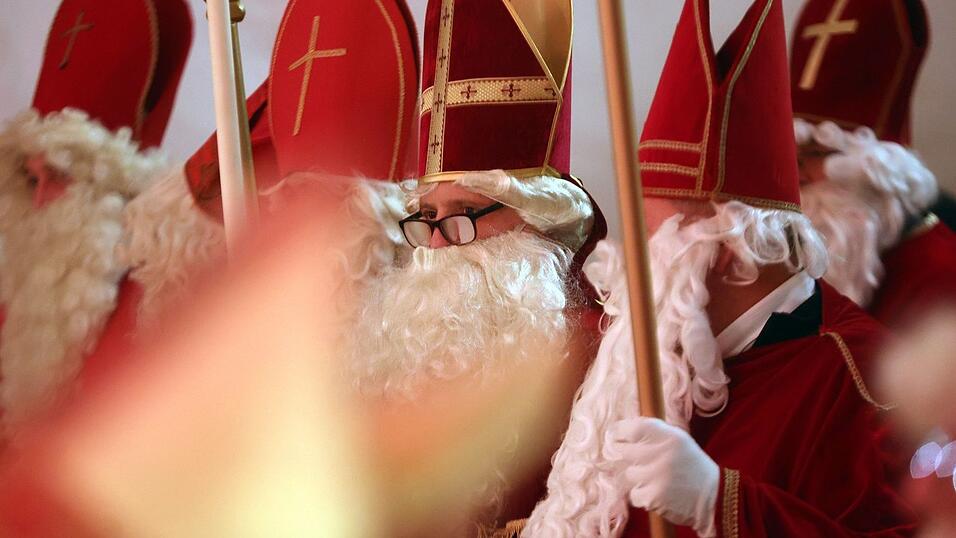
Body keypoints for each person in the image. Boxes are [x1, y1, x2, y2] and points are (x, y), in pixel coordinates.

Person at [524, 1, 917, 536]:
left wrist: (721, 502)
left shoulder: (865, 380)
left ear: (729, 246)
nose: (632, 260)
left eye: (651, 235)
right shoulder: (663, 354)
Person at [349, 0, 607, 534]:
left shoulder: (601, 362)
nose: (437, 244)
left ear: (539, 222)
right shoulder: (405, 347)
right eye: (427, 217)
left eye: (464, 214)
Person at [0, 0, 197, 438]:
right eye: (29, 178)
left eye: (59, 176)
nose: (40, 200)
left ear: (119, 188)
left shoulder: (158, 310)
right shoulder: (15, 292)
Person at [790, 0, 956, 325]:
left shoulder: (944, 281)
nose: (798, 175)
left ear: (881, 170)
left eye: (818, 154)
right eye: (792, 152)